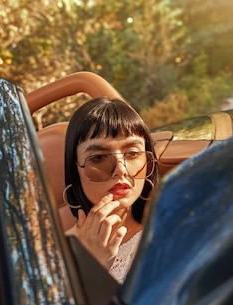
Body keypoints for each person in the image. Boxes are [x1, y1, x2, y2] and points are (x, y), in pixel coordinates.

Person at [62, 97, 160, 283]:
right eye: (98, 158)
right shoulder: (49, 255)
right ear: (76, 170)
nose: (121, 170)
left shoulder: (161, 241)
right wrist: (91, 267)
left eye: (132, 153)